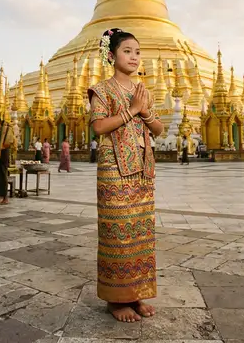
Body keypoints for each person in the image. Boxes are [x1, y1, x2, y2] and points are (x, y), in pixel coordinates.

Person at [89, 28, 163, 323]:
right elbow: (98, 126)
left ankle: (136, 294)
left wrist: (144, 112)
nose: (133, 57)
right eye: (127, 51)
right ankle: (115, 299)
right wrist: (132, 111)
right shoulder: (102, 90)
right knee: (117, 233)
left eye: (137, 52)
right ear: (111, 56)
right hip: (114, 170)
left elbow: (158, 129)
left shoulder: (143, 90)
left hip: (142, 169)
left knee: (140, 234)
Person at [0, 117, 14, 205]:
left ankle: (4, 196)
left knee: (2, 174)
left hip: (3, 153)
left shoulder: (7, 130)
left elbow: (9, 142)